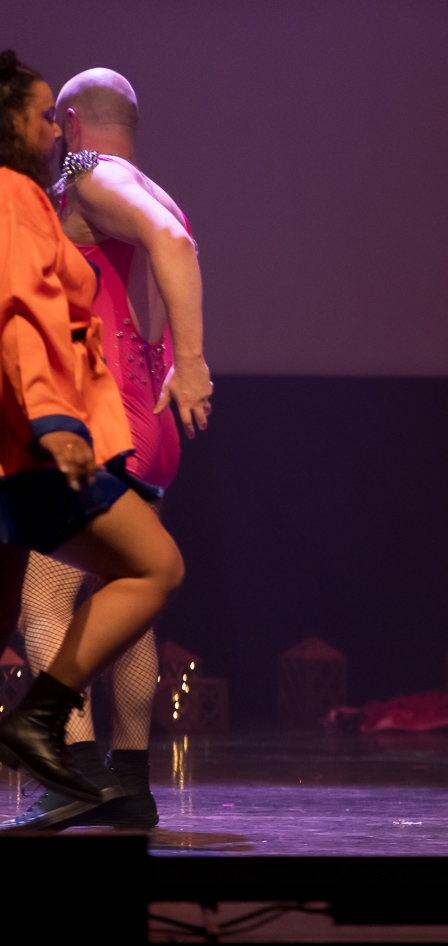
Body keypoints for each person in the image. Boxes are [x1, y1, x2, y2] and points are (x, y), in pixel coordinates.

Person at [2, 67, 210, 831]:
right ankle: (130, 781)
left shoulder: (88, 175)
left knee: (44, 600)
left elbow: (173, 246)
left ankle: (76, 773)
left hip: (103, 414)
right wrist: (176, 361)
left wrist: (193, 360)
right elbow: (173, 246)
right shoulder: (145, 185)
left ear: (68, 122)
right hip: (148, 415)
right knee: (129, 595)